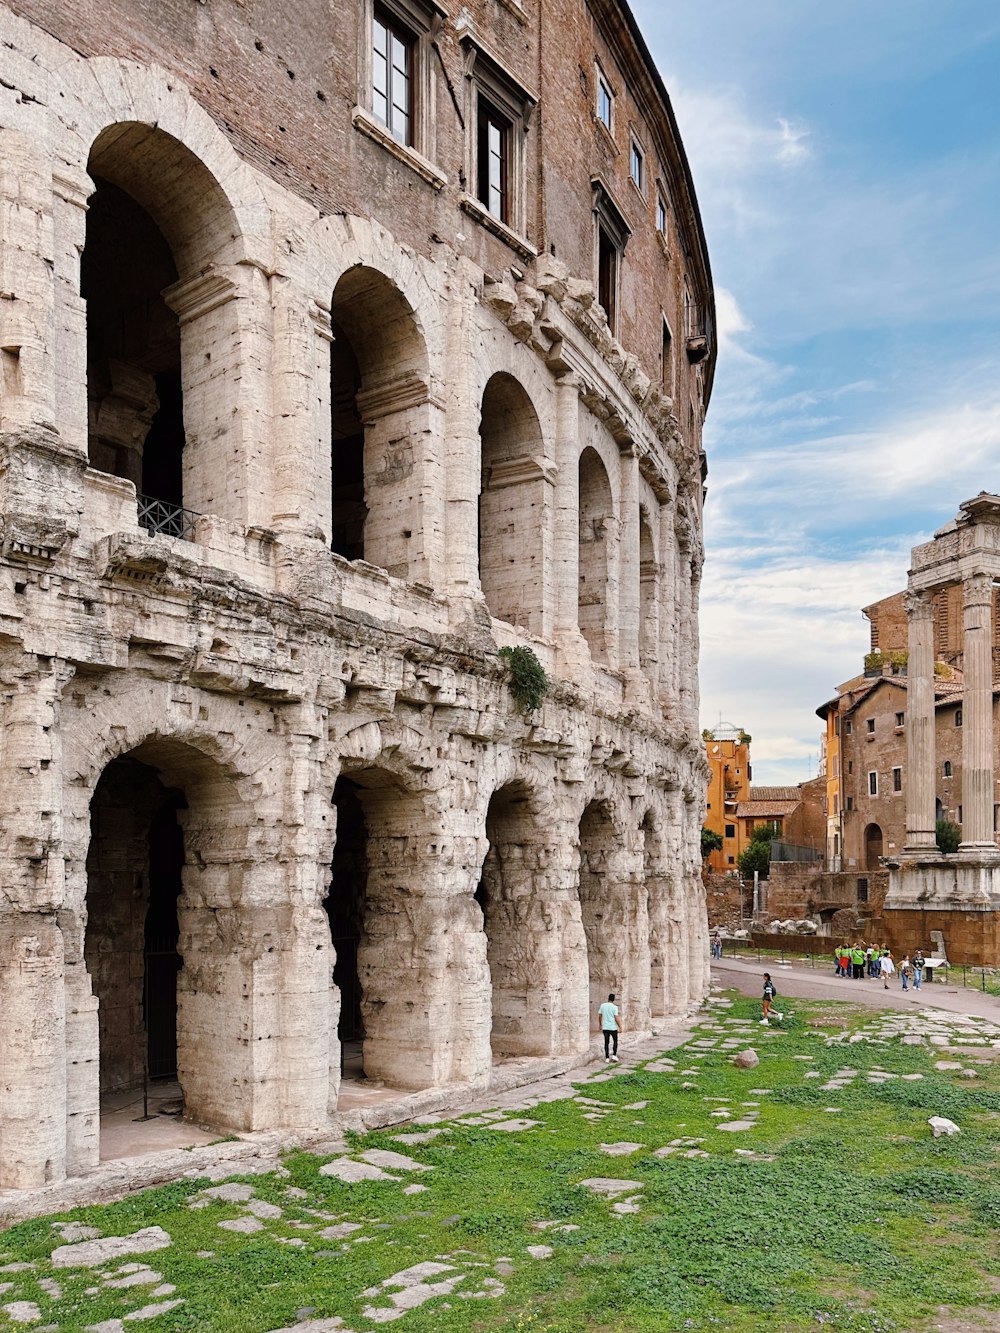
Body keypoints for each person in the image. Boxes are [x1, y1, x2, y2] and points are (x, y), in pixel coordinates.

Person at [598, 992, 621, 1061]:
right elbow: (616, 1018)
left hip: (605, 1027)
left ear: (608, 998)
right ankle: (614, 1055)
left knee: (606, 1042)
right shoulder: (615, 1007)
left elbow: (599, 1016)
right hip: (613, 1027)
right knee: (615, 1041)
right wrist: (620, 1026)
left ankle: (607, 1057)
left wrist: (600, 1024)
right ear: (613, 999)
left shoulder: (602, 1005)